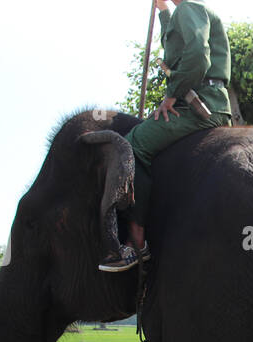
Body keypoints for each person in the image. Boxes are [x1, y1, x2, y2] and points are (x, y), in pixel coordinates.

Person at [100, 0, 233, 272]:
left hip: (200, 107)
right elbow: (178, 46)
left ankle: (137, 242)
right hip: (205, 101)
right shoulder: (186, 12)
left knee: (132, 146)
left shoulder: (189, 8)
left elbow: (197, 55)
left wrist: (171, 94)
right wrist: (163, 11)